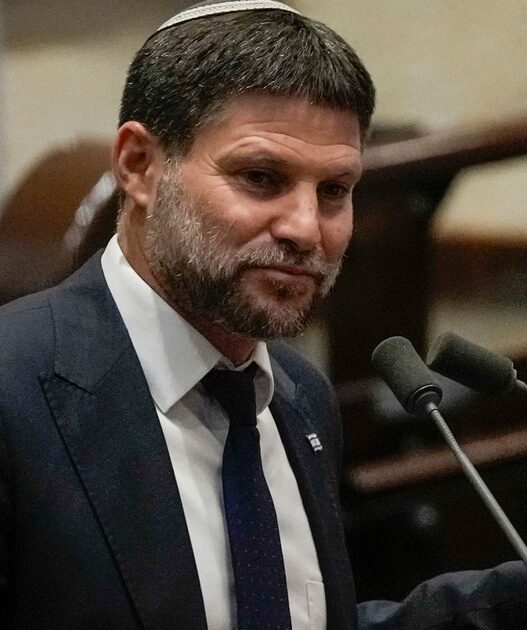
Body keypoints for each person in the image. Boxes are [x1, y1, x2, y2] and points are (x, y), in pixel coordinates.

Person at [0, 2, 526, 629]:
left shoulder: (300, 396)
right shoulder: (15, 391)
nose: (306, 229)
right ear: (140, 166)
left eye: (334, 191)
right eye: (260, 176)